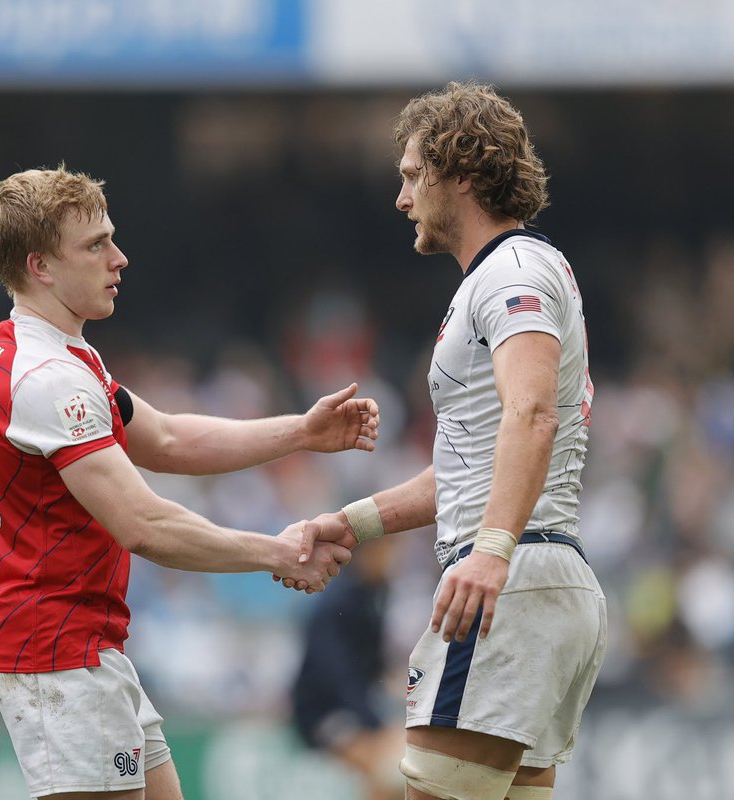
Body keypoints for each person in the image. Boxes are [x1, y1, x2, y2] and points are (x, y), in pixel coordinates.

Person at [0, 164, 380, 800]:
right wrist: (279, 551)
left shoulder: (47, 348)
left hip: (82, 642)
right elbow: (145, 525)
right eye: (95, 245)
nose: (119, 258)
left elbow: (164, 439)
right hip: (56, 649)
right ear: (40, 266)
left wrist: (301, 431)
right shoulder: (48, 377)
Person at [303, 82, 607, 799]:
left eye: (412, 176)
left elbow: (531, 415)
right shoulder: (517, 273)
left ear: (460, 172)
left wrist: (492, 552)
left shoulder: (510, 271)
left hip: (512, 578)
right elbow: (476, 464)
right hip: (541, 575)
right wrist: (349, 524)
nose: (402, 199)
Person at [289, 536, 406, 800]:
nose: (393, 560)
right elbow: (336, 675)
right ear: (369, 553)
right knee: (384, 769)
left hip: (357, 706)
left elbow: (374, 665)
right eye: (388, 551)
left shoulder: (375, 594)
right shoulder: (337, 601)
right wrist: (373, 723)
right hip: (323, 712)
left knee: (397, 770)